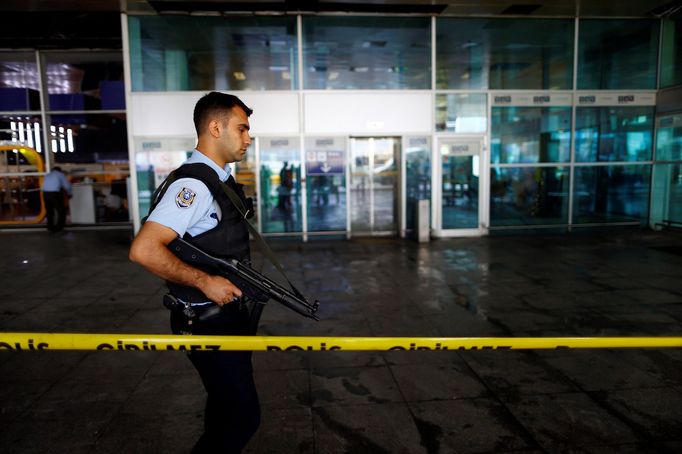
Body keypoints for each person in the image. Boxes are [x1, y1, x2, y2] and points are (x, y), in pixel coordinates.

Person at [129, 92, 259, 453]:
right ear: (215, 127)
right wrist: (204, 281)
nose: (248, 138)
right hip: (207, 319)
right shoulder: (194, 186)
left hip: (222, 316)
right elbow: (144, 249)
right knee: (243, 417)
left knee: (223, 408)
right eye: (242, 128)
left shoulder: (218, 181)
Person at [41, 166, 71, 232]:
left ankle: (50, 227)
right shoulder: (60, 174)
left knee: (49, 212)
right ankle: (59, 228)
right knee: (61, 211)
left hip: (45, 194)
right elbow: (67, 185)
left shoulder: (47, 175)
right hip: (55, 194)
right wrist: (69, 194)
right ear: (59, 170)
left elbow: (43, 185)